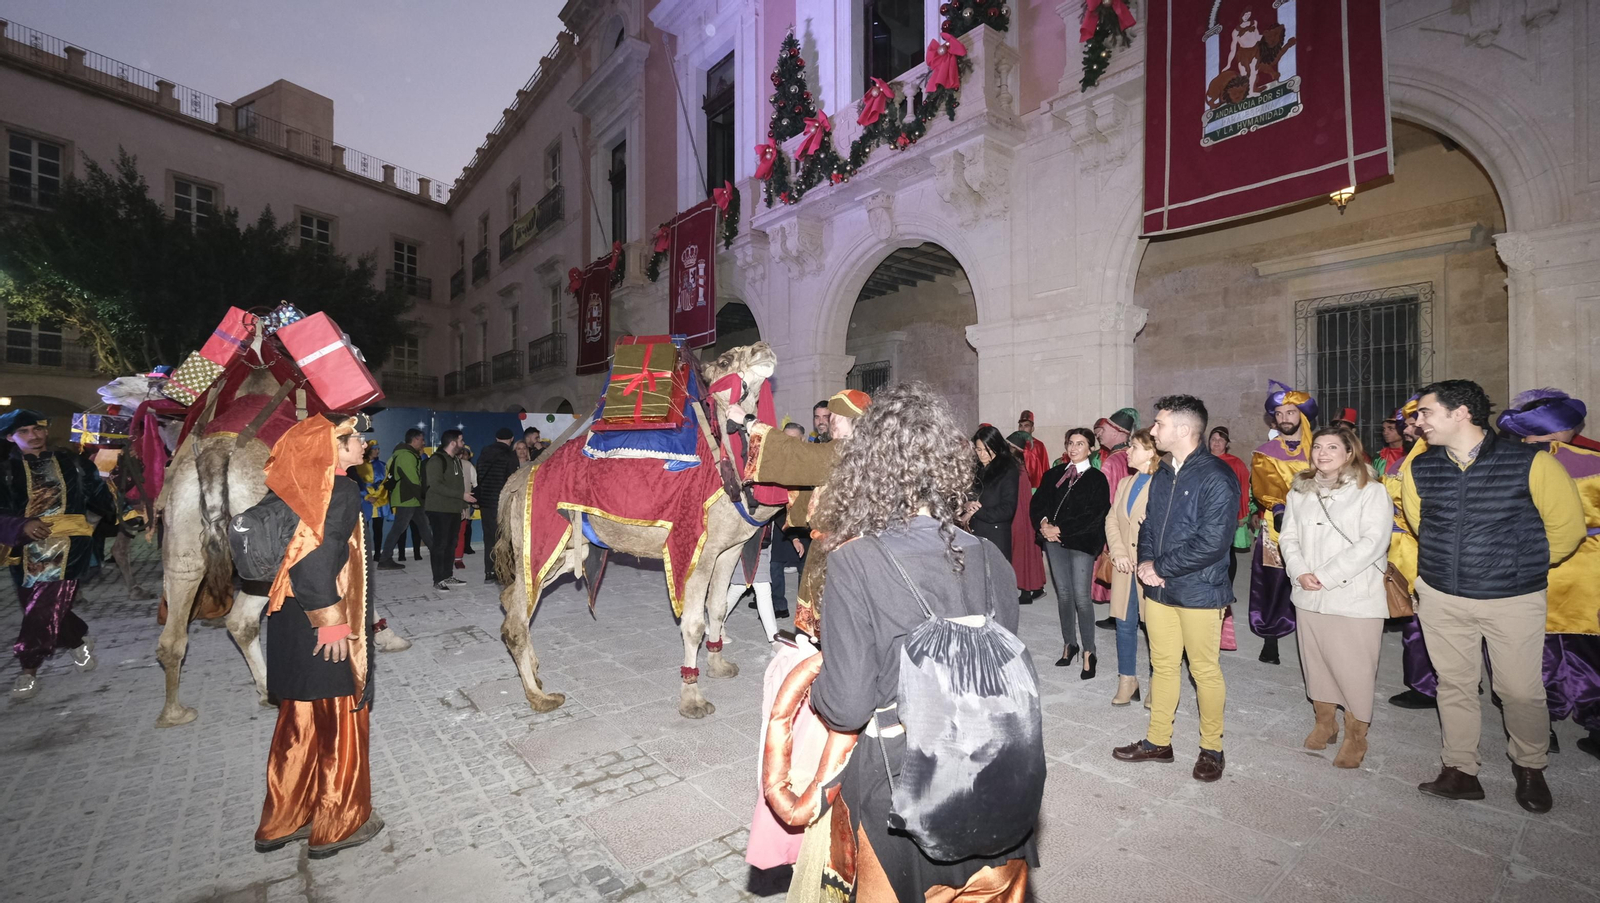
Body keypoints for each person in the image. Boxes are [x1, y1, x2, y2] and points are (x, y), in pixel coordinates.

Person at [809, 381, 1039, 902]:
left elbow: (846, 707)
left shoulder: (854, 562)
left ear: (867, 470)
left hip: (904, 791)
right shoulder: (988, 556)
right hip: (996, 777)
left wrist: (807, 684)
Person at [1402, 380, 1584, 813]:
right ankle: (1460, 769)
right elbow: (1417, 524)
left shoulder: (1531, 462)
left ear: (1461, 412)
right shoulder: (1420, 467)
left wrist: (1521, 566)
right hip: (1443, 595)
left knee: (1519, 690)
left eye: (1425, 412)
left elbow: (1567, 530)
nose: (1417, 422)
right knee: (1455, 684)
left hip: (1511, 597)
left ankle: (1529, 766)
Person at [254, 413, 384, 858]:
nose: (363, 445)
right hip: (323, 625)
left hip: (290, 623)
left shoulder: (291, 489)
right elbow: (316, 557)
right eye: (353, 440)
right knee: (341, 723)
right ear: (332, 449)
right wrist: (331, 622)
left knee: (298, 726)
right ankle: (339, 823)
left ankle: (283, 820)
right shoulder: (339, 489)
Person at [1113, 395, 1237, 782]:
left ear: (1183, 430)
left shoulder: (1217, 476)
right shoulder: (1164, 473)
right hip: (1161, 588)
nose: (1153, 430)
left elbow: (1213, 541)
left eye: (1160, 423)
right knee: (1163, 666)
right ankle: (1158, 741)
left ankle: (1211, 748)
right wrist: (1149, 565)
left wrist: (1160, 567)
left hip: (1200, 589)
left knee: (1203, 670)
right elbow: (1149, 524)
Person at [1277, 427, 1393, 769]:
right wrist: (1299, 571)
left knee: (1354, 669)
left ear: (1349, 453)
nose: (1323, 453)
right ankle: (1324, 722)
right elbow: (1289, 537)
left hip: (1352, 595)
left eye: (1332, 447)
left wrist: (1325, 576)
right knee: (1317, 663)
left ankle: (1356, 735)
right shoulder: (1300, 492)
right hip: (1308, 594)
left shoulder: (1370, 492)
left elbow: (1374, 542)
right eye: (1318, 447)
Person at [1496, 388, 1600, 761]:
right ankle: (1596, 721)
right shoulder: (1595, 459)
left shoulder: (1528, 463)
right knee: (1589, 647)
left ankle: (1543, 725)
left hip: (1538, 563)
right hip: (1590, 572)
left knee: (1536, 651)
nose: (1523, 440)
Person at [2, 410, 116, 700]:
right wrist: (23, 524)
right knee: (43, 609)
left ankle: (28, 670)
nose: (34, 435)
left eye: (37, 428)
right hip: (23, 549)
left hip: (69, 546)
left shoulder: (73, 463)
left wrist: (124, 511)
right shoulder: (4, 472)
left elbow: (100, 495)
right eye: (24, 431)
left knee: (42, 609)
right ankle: (78, 640)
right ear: (9, 437)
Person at [744, 390, 871, 636]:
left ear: (850, 419)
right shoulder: (866, 451)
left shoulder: (844, 450)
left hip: (841, 553)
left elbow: (796, 456)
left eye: (835, 416)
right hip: (845, 549)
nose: (830, 421)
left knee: (837, 623)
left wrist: (750, 424)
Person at [1032, 427, 1110, 677]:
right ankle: (1070, 644)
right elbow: (1038, 502)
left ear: (1090, 448)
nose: (1074, 448)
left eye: (1080, 444)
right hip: (1052, 540)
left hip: (1081, 541)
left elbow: (1094, 515)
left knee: (1081, 597)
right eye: (1070, 443)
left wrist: (1059, 529)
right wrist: (1044, 524)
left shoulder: (1096, 478)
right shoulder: (1054, 474)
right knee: (1064, 595)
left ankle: (1090, 650)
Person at [1250, 381, 1317, 664]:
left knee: (1315, 581)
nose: (1284, 418)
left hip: (1318, 526)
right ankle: (1271, 638)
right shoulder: (1265, 452)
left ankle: (1315, 642)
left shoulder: (1320, 449)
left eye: (1290, 413)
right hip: (1277, 525)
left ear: (1301, 415)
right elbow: (1267, 485)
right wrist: (1279, 509)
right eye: (1279, 414)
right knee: (1274, 583)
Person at [1104, 428, 1159, 705]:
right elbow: (1112, 519)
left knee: (1154, 626)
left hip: (1151, 568)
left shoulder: (1163, 483)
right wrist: (1118, 552)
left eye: (1134, 447)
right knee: (1125, 623)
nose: (1127, 451)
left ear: (1150, 452)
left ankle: (1158, 683)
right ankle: (1127, 679)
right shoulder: (1126, 483)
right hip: (1125, 566)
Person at [1091, 408, 1141, 627]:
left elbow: (1105, 501)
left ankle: (1118, 615)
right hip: (1133, 526)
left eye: (1107, 429)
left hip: (1115, 526)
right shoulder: (1131, 456)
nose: (1100, 433)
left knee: (1117, 570)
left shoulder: (1111, 462)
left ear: (1118, 432)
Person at [423, 430, 474, 592]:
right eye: (461, 440)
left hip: (453, 508)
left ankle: (447, 575)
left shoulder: (456, 461)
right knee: (440, 544)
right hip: (438, 509)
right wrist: (462, 496)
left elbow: (458, 485)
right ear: (453, 443)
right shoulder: (436, 460)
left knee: (451, 544)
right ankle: (438, 579)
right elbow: (435, 485)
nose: (463, 443)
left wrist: (462, 505)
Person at [375, 430, 433, 570]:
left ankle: (437, 553)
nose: (424, 443)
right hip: (407, 497)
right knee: (399, 528)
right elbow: (413, 480)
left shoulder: (402, 454)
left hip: (409, 498)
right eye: (422, 440)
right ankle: (384, 559)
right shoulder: (406, 455)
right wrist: (423, 496)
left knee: (424, 527)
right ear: (415, 440)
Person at [1005, 431, 1047, 606]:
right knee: (1030, 552)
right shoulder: (1021, 468)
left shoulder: (1016, 471)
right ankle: (1036, 588)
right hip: (1025, 516)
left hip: (1020, 517)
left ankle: (1025, 591)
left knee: (1021, 553)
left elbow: (1018, 499)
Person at [966, 425, 1020, 560]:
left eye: (987, 449)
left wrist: (977, 511)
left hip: (995, 535)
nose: (982, 454)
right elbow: (964, 496)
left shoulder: (1007, 470)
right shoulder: (974, 469)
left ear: (997, 447)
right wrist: (965, 505)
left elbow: (1007, 509)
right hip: (973, 533)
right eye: (978, 449)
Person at [476, 428, 520, 584]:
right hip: (502, 503)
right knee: (505, 537)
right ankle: (505, 572)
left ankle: (490, 571)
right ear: (512, 439)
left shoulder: (484, 453)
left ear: (496, 438)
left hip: (486, 503)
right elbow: (512, 481)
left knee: (489, 537)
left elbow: (479, 476)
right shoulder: (509, 455)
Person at [455, 444, 478, 562]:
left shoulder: (468, 466)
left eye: (465, 453)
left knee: (463, 528)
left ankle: (459, 557)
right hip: (449, 503)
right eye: (460, 452)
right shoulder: (447, 465)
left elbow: (476, 484)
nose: (462, 455)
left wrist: (476, 498)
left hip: (465, 503)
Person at [1016, 411, 1050, 490]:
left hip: (1036, 487)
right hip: (1018, 486)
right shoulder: (1014, 445)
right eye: (1020, 426)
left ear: (1032, 428)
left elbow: (1045, 467)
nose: (1022, 428)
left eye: (1026, 426)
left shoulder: (1039, 445)